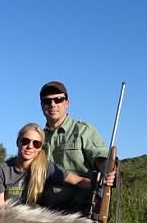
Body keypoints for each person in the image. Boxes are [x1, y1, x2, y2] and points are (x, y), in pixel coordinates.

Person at [38, 81, 116, 212]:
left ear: (67, 103)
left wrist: (108, 171)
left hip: (78, 205)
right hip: (45, 207)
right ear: (42, 106)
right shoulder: (37, 138)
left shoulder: (82, 130)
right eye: (47, 101)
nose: (53, 104)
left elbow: (101, 158)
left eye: (58, 99)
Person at [0, 123, 91, 208]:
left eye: (36, 144)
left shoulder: (46, 167)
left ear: (40, 148)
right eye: (25, 141)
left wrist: (102, 183)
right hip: (9, 221)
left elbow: (78, 181)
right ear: (18, 142)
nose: (30, 146)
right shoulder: (1, 169)